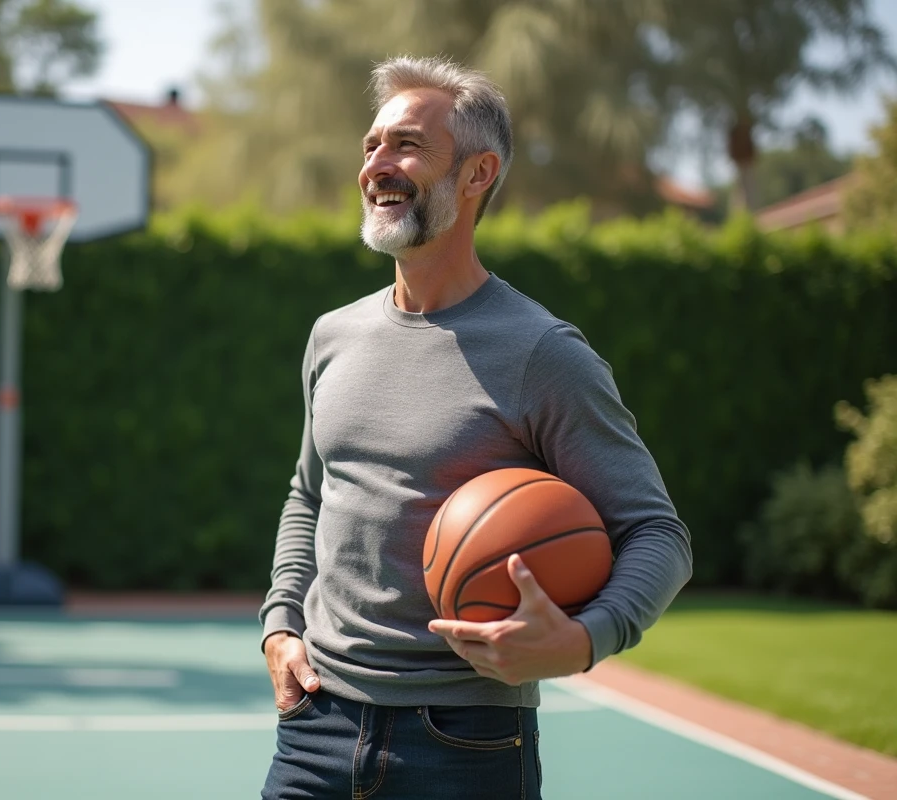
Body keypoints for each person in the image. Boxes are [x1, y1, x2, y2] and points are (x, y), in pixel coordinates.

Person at [258, 55, 694, 799]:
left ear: (477, 173)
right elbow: (309, 494)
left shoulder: (542, 353)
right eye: (371, 145)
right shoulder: (333, 335)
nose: (377, 164)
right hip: (315, 725)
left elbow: (658, 533)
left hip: (463, 740)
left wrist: (585, 639)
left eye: (406, 145)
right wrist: (279, 624)